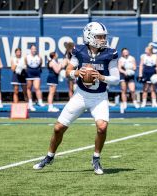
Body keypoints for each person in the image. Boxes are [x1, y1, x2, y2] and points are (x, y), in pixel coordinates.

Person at [33, 22, 120, 175]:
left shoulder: (110, 53)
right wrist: (76, 73)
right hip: (80, 95)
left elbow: (116, 79)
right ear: (89, 37)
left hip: (99, 97)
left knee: (102, 127)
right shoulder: (79, 51)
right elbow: (68, 71)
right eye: (99, 36)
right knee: (58, 128)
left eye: (103, 37)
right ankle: (50, 156)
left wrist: (101, 77)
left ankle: (96, 158)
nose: (103, 39)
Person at [26, 45, 44, 111]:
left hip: (36, 73)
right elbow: (25, 64)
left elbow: (41, 64)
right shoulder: (27, 57)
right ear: (30, 50)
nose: (34, 50)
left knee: (37, 88)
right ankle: (30, 102)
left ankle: (40, 101)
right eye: (32, 49)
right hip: (29, 73)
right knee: (29, 88)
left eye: (35, 49)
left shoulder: (39, 57)